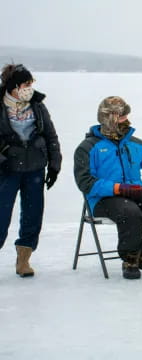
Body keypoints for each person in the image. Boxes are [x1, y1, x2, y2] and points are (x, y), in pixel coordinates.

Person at [74, 96, 142, 280]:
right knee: (131, 213)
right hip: (102, 199)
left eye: (127, 116)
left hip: (135, 193)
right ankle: (130, 260)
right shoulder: (88, 147)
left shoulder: (135, 143)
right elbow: (85, 182)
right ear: (109, 119)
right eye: (122, 117)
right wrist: (118, 188)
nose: (127, 121)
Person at [0, 64, 62, 277]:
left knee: (33, 215)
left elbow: (51, 136)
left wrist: (54, 165)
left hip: (35, 168)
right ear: (14, 86)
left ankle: (24, 259)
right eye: (26, 84)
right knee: (1, 215)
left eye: (31, 83)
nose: (30, 87)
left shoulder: (37, 105)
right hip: (6, 170)